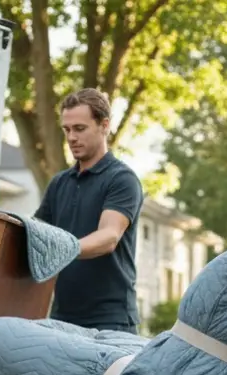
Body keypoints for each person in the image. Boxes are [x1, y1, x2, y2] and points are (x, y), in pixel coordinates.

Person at [33, 88, 145, 335]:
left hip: (111, 323)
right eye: (67, 130)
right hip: (61, 319)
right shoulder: (59, 183)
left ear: (104, 126)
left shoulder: (122, 180)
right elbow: (35, 235)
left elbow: (109, 237)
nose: (72, 137)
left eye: (80, 129)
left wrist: (61, 250)